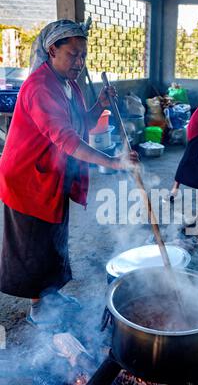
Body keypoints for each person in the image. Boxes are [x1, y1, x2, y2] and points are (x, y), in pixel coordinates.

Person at [0, 19, 138, 328]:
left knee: (54, 237)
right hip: (28, 177)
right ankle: (38, 308)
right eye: (73, 55)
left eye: (83, 55)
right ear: (52, 50)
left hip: (54, 173)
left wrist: (99, 104)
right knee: (34, 243)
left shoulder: (69, 83)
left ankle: (51, 294)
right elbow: (66, 138)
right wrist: (113, 162)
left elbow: (80, 125)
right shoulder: (39, 87)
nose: (79, 62)